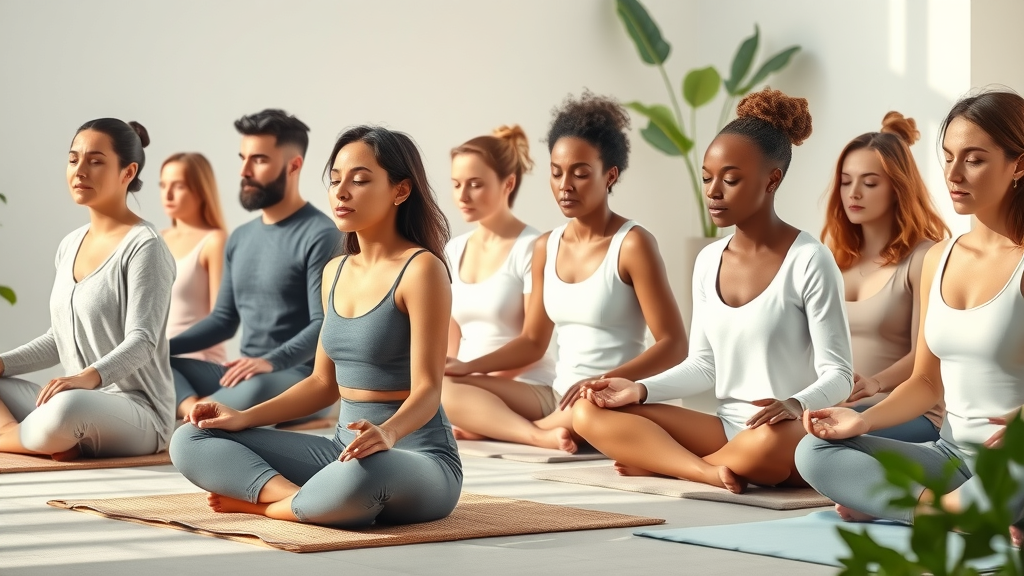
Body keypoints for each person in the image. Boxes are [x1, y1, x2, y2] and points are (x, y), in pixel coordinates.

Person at [170, 126, 461, 528]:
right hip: (341, 452)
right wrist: (243, 417)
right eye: (336, 180)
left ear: (401, 191)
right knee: (190, 438)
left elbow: (429, 390)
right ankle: (301, 501)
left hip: (416, 458)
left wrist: (388, 434)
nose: (342, 192)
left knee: (366, 473)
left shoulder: (421, 269)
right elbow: (321, 384)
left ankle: (264, 506)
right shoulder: (334, 271)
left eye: (359, 180)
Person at [568, 88, 853, 493]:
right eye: (707, 177)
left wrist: (795, 403)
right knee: (587, 413)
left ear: (772, 179)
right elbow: (704, 365)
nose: (713, 191)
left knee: (766, 445)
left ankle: (665, 462)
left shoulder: (809, 259)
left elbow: (839, 374)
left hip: (784, 431)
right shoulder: (708, 260)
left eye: (731, 179)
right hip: (724, 429)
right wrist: (640, 388)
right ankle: (706, 471)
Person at [796, 90, 1024, 539]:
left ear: (1018, 165)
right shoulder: (938, 258)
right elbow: (925, 382)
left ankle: (922, 508)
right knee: (815, 451)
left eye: (974, 160)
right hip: (952, 459)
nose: (953, 174)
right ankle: (948, 513)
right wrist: (863, 419)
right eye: (947, 157)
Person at [444, 92, 688, 453]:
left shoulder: (633, 244)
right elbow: (532, 342)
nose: (565, 186)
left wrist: (605, 381)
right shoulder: (545, 246)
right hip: (559, 395)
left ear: (610, 175)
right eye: (557, 173)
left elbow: (674, 344)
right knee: (444, 387)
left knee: (582, 411)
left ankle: (515, 429)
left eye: (580, 174)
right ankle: (532, 430)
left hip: (606, 396)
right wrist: (468, 367)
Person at [0, 119, 175, 460]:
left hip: (138, 412)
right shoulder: (70, 244)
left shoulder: (146, 246)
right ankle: (50, 440)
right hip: (81, 400)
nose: (80, 171)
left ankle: (12, 435)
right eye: (73, 159)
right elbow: (58, 338)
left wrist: (86, 378)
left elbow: (143, 341)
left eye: (95, 161)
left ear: (127, 173)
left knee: (68, 406)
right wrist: (2, 364)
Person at [169, 109, 341, 421]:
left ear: (294, 165)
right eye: (242, 158)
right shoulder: (240, 237)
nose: (243, 171)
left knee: (255, 387)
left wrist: (272, 361)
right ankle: (195, 409)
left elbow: (324, 324)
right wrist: (159, 348)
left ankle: (200, 412)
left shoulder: (323, 235)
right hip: (243, 373)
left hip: (298, 377)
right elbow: (223, 320)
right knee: (156, 362)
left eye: (258, 160)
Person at [821, 112, 949, 442]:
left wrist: (874, 383)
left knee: (808, 443)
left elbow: (927, 356)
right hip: (839, 407)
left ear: (897, 188)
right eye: (846, 181)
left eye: (869, 182)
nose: (854, 193)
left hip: (904, 413)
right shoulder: (834, 259)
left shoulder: (923, 257)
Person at [441, 125, 558, 444]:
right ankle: (478, 420)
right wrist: (449, 369)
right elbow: (452, 337)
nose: (462, 196)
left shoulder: (534, 247)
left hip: (530, 387)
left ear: (508, 183)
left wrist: (471, 372)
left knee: (440, 391)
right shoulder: (454, 250)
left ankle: (535, 436)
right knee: (426, 385)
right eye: (456, 184)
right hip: (466, 385)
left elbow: (534, 345)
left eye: (475, 185)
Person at [160, 152, 228, 364]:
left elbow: (221, 319)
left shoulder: (215, 241)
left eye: (178, 186)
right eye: (163, 185)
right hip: (156, 360)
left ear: (201, 191)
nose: (168, 194)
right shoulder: (155, 240)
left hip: (197, 360)